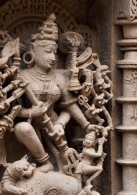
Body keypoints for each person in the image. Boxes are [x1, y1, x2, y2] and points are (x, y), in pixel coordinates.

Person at [14, 14, 98, 173]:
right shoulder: (22, 76)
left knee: (66, 165)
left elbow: (69, 106)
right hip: (32, 127)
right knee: (22, 128)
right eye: (47, 51)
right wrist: (30, 112)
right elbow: (11, 110)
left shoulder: (59, 76)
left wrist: (63, 124)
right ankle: (44, 162)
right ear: (33, 49)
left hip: (55, 127)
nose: (52, 57)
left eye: (55, 53)